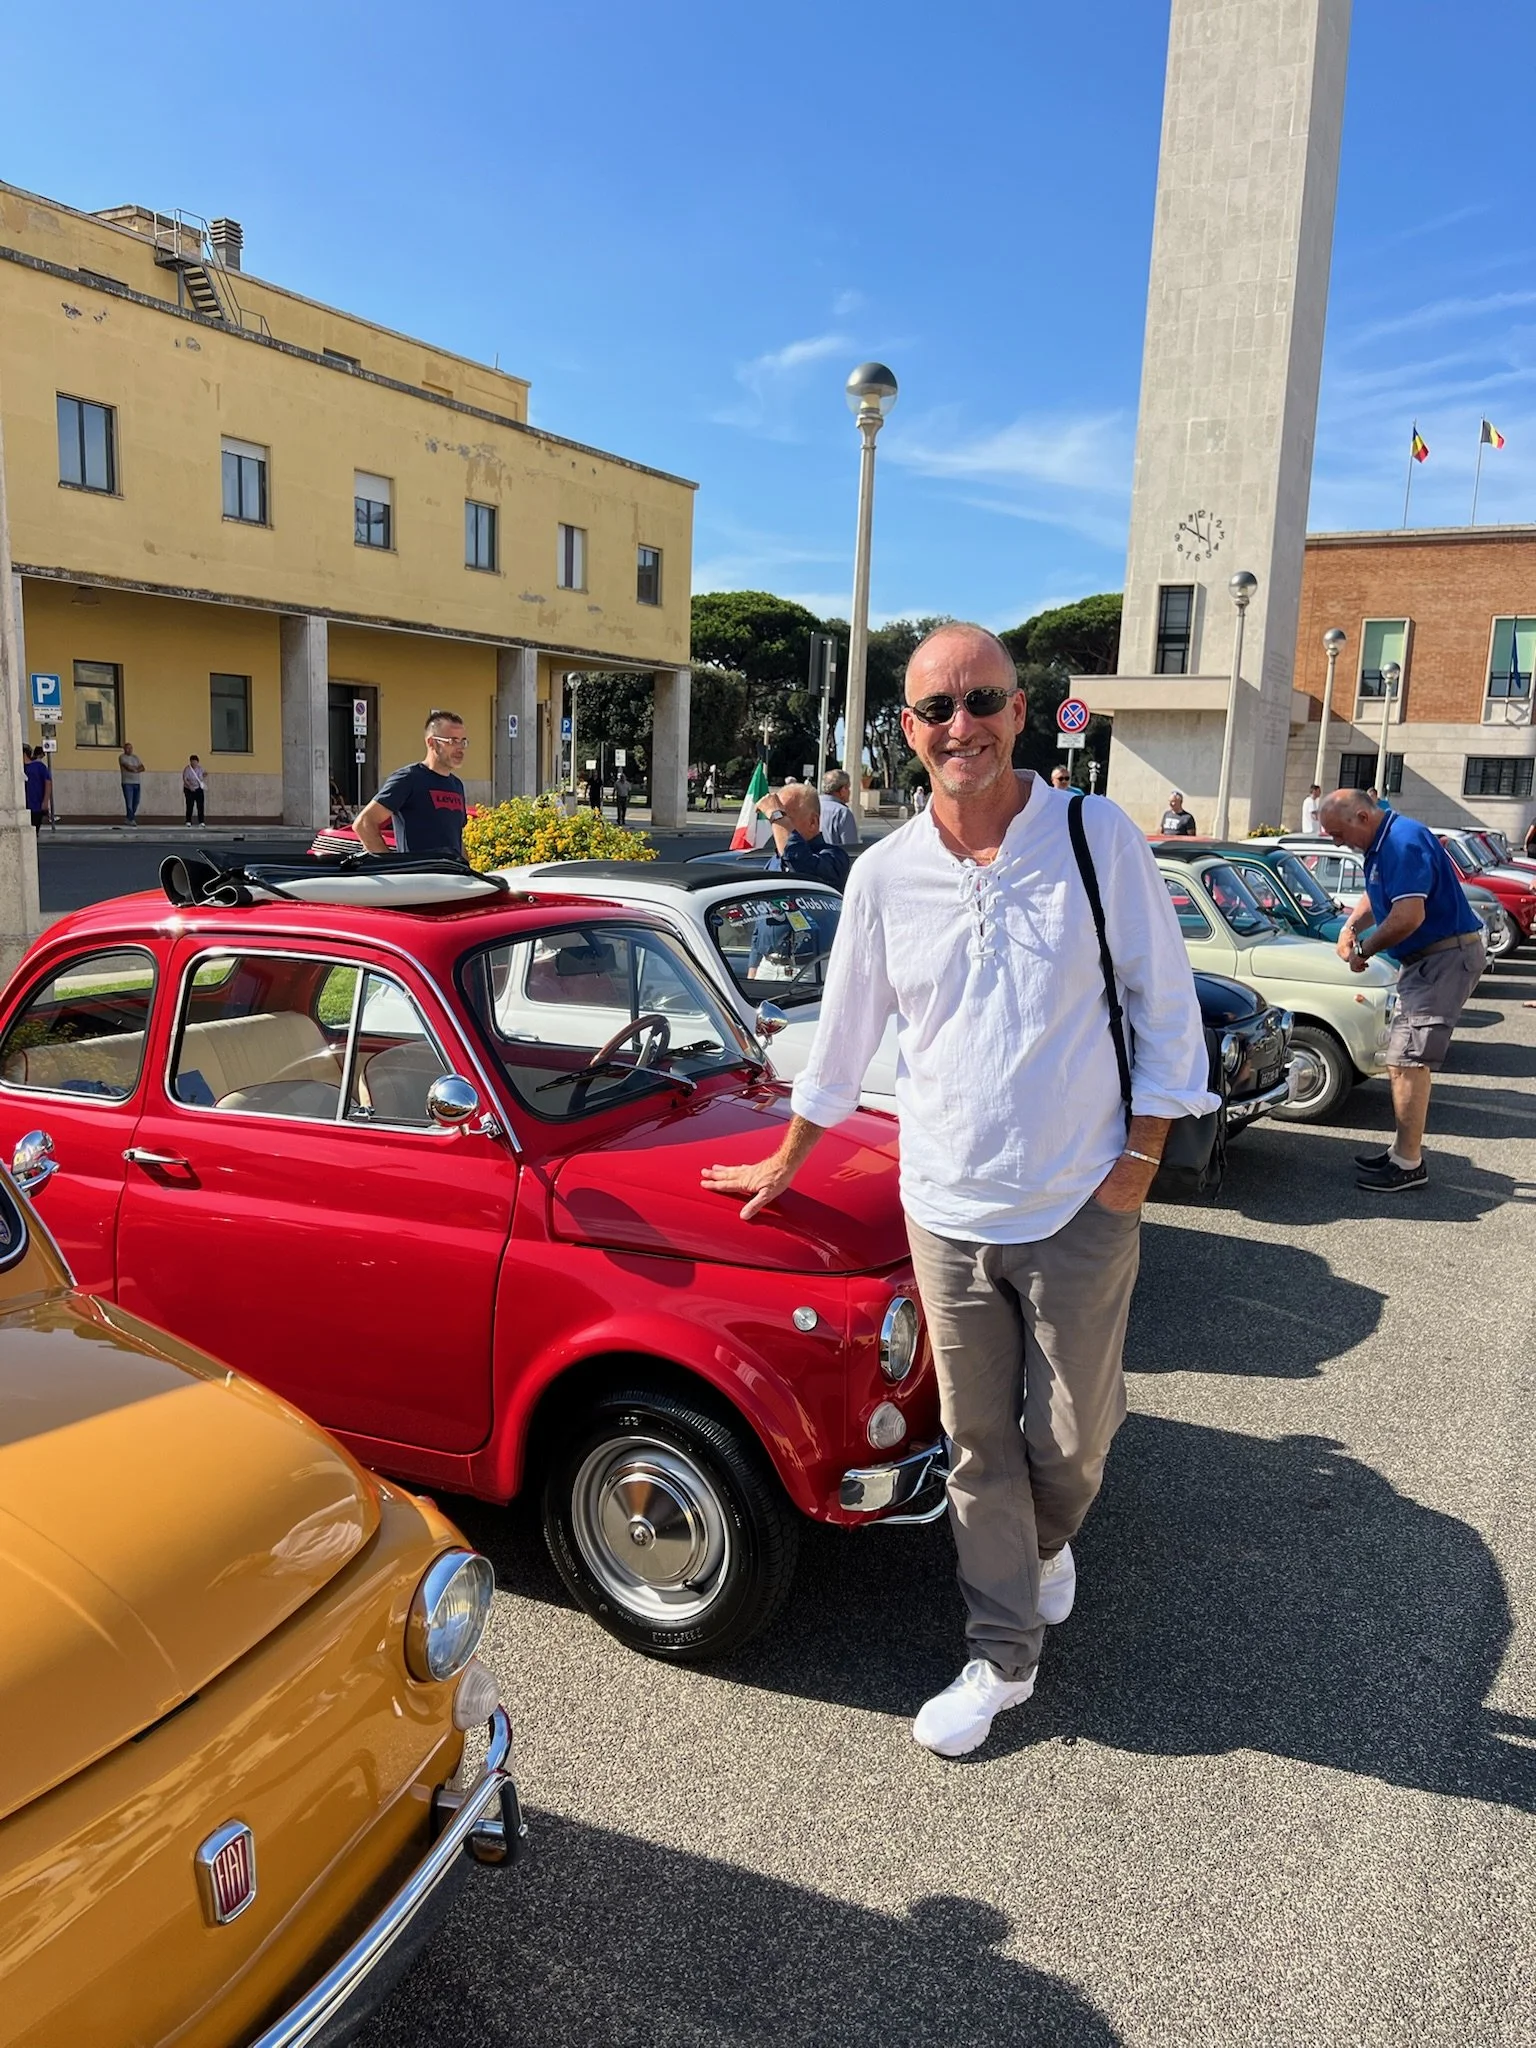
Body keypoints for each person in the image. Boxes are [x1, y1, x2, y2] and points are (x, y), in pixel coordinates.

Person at [703, 624, 1214, 1757]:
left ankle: (1041, 1543)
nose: (960, 726)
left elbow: (1165, 1005)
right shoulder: (885, 873)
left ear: (1021, 710)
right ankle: (1001, 1654)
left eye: (982, 700)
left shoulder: (1093, 835)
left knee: (1073, 1436)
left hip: (1083, 1196)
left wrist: (1136, 1166)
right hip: (943, 1207)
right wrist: (788, 1155)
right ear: (908, 730)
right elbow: (845, 1036)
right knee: (976, 1440)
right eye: (937, 709)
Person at [1321, 788, 1486, 1193]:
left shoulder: (1402, 841)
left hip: (1442, 959)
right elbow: (1378, 895)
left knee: (1407, 1061)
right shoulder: (1384, 841)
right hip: (1430, 961)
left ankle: (1409, 1164)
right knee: (1403, 1060)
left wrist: (1363, 949)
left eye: (1337, 833)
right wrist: (1350, 927)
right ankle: (1402, 1153)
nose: (1336, 842)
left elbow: (1408, 915)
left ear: (1362, 816)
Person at [353, 710, 469, 857]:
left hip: (452, 877)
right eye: (452, 741)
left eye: (463, 741)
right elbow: (364, 823)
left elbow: (457, 838)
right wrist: (392, 866)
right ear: (431, 742)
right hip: (418, 878)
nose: (460, 748)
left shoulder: (457, 785)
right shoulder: (408, 778)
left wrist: (467, 869)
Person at [757, 782, 851, 891]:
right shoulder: (774, 861)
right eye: (773, 821)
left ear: (812, 822)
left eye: (786, 819)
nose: (777, 827)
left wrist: (776, 815)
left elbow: (800, 867)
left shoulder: (835, 858)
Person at [819, 769, 861, 848]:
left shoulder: (811, 806)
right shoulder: (842, 812)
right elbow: (851, 849)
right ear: (843, 790)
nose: (849, 792)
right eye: (848, 788)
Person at [23, 748, 50, 834]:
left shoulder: (39, 766)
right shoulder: (20, 768)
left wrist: (45, 801)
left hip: (36, 805)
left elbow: (48, 782)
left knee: (33, 831)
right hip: (24, 805)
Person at [118, 741, 144, 824]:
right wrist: (135, 769)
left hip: (137, 782)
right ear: (124, 749)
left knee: (136, 801)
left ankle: (129, 818)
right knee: (129, 802)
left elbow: (142, 767)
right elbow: (127, 767)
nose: (129, 750)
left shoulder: (135, 757)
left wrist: (135, 769)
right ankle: (131, 819)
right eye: (127, 748)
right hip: (127, 782)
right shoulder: (122, 757)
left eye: (131, 748)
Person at [182, 754, 207, 826]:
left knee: (200, 805)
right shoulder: (187, 769)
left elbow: (203, 775)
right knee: (190, 805)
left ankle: (201, 821)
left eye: (195, 762)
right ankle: (188, 821)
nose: (194, 763)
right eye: (192, 762)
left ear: (197, 762)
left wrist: (205, 775)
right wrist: (190, 786)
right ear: (190, 762)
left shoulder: (200, 768)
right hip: (189, 789)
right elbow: (185, 779)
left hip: (198, 788)